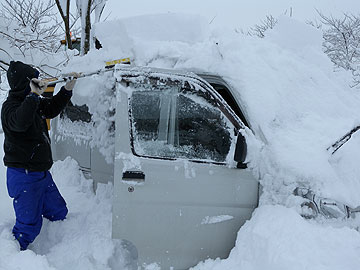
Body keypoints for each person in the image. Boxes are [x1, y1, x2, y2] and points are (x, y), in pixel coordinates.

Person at [1, 61, 78, 251]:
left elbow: (51, 108)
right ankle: (13, 255)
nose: (38, 82)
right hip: (24, 176)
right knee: (28, 226)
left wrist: (67, 89)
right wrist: (34, 95)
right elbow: (20, 122)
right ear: (24, 83)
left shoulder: (32, 101)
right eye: (32, 80)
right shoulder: (10, 107)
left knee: (58, 212)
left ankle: (55, 241)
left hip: (42, 174)